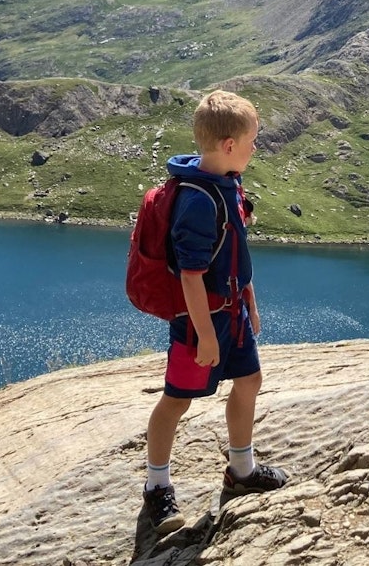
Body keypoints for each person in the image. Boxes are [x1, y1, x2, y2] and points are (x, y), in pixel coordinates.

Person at [142, 90, 287, 534]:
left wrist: (250, 303)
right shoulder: (198, 201)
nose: (255, 148)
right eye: (251, 140)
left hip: (233, 315)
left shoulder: (229, 184)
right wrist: (205, 334)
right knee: (177, 400)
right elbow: (190, 275)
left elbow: (237, 254)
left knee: (249, 380)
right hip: (198, 321)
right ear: (228, 145)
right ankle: (156, 488)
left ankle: (241, 470)